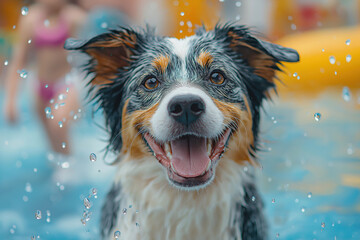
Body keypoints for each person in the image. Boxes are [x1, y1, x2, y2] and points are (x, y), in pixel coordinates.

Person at [3, 0, 86, 156]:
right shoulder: (30, 19)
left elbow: (92, 52)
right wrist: (11, 100)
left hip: (66, 83)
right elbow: (19, 61)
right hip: (39, 86)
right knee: (51, 137)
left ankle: (71, 167)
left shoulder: (74, 18)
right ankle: (62, 165)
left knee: (57, 123)